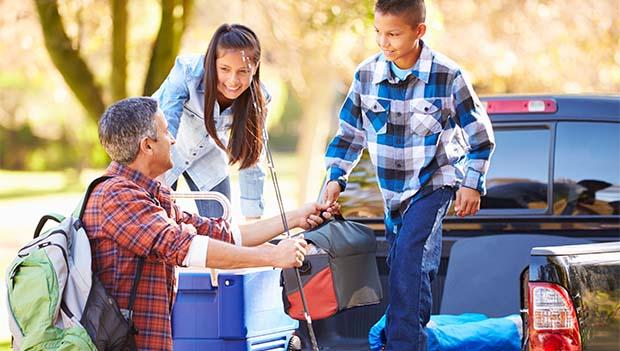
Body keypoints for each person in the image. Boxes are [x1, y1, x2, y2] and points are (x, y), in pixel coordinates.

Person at [85, 97, 335, 351]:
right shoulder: (117, 196)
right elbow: (188, 248)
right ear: (147, 146)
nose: (172, 140)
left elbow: (221, 234)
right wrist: (272, 255)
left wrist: (294, 218)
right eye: (165, 132)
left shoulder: (148, 195)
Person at [322, 1, 495, 350]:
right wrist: (335, 179)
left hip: (434, 184)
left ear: (419, 31)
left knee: (411, 264)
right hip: (392, 193)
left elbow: (480, 136)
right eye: (378, 33)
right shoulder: (366, 75)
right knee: (401, 264)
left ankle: (404, 344)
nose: (384, 42)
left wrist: (471, 183)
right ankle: (408, 338)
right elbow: (349, 135)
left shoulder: (447, 75)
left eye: (393, 34)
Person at [153, 23, 268, 219]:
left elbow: (252, 158)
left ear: (255, 68)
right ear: (211, 62)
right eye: (224, 69)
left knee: (222, 220)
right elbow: (165, 125)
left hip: (207, 152)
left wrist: (253, 219)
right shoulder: (187, 72)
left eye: (243, 71)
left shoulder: (258, 99)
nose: (233, 80)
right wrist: (158, 180)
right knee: (159, 219)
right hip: (162, 149)